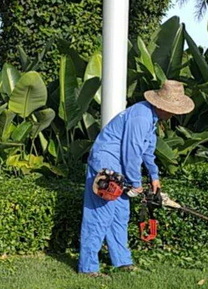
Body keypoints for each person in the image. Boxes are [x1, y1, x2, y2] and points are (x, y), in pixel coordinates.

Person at [78, 80, 195, 277]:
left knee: (120, 215)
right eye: (173, 110)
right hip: (106, 166)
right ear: (162, 105)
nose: (174, 114)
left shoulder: (152, 118)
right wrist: (136, 184)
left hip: (120, 167)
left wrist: (154, 176)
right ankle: (88, 268)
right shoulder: (141, 117)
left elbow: (147, 150)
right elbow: (131, 153)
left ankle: (122, 261)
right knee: (100, 216)